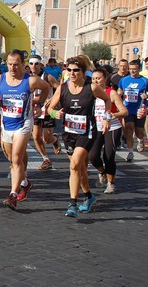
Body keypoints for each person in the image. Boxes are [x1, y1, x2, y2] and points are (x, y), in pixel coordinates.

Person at [46, 56, 112, 218]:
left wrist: (106, 117)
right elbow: (50, 109)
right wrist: (56, 113)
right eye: (69, 70)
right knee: (80, 169)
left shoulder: (92, 88)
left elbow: (107, 99)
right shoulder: (63, 88)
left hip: (87, 132)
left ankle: (72, 204)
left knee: (75, 165)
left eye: (76, 70)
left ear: (83, 72)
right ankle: (89, 196)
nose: (72, 73)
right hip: (69, 133)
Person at [0, 49, 50, 211]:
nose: (12, 68)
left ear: (23, 64)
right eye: (9, 64)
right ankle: (26, 184)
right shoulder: (0, 79)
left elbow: (46, 87)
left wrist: (39, 105)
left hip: (23, 123)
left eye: (16, 65)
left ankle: (13, 194)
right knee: (10, 157)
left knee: (16, 159)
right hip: (6, 124)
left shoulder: (31, 81)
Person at [89, 68, 128, 194]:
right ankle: (102, 172)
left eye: (99, 78)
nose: (96, 81)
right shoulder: (90, 93)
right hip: (97, 127)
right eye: (94, 78)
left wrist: (113, 115)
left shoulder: (111, 93)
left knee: (109, 155)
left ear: (105, 79)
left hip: (112, 127)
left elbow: (124, 111)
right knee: (93, 156)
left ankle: (111, 183)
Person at [27, 55, 61, 171]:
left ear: (40, 65)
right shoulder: (27, 77)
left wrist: (52, 100)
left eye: (36, 63)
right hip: (35, 109)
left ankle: (55, 140)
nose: (34, 66)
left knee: (47, 139)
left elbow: (60, 88)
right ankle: (46, 159)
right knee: (36, 136)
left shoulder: (47, 77)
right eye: (31, 63)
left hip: (47, 111)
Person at [118, 59, 148, 162]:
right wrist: (119, 93)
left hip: (140, 110)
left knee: (139, 131)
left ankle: (141, 140)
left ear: (139, 69)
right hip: (128, 108)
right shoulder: (124, 80)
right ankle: (130, 152)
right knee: (129, 128)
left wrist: (146, 95)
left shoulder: (144, 81)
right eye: (130, 69)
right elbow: (119, 90)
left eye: (134, 69)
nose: (132, 71)